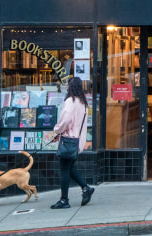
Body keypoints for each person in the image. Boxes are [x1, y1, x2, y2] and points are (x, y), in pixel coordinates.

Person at [49, 77, 94, 208]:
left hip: (68, 141)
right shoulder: (83, 103)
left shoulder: (70, 101)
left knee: (64, 170)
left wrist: (57, 130)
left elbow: (65, 121)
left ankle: (64, 200)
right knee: (70, 168)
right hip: (76, 142)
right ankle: (86, 188)